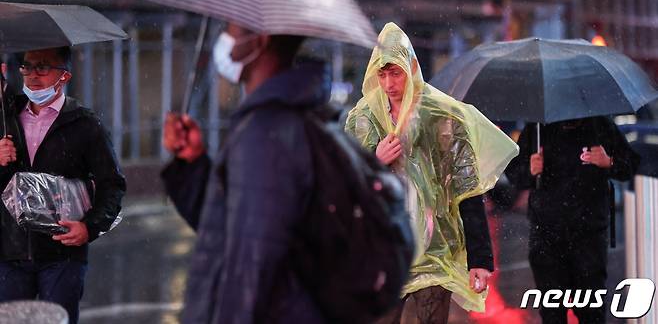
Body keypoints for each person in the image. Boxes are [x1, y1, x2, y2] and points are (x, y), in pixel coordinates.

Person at [345, 23, 519, 323]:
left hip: (435, 249)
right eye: (382, 74)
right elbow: (345, 187)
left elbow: (468, 189)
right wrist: (375, 161)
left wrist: (479, 259)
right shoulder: (364, 120)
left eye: (395, 72)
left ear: (412, 67)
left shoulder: (443, 117)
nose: (388, 84)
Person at [161, 22, 331, 323]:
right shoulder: (273, 122)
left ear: (259, 41)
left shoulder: (267, 132)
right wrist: (194, 163)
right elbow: (231, 226)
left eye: (233, 29)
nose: (225, 38)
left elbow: (252, 268)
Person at [0, 46, 126, 324]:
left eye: (43, 67)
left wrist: (89, 227)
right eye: (27, 66)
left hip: (62, 254)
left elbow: (112, 184)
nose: (32, 75)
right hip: (10, 252)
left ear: (65, 75)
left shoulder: (84, 124)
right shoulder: (6, 117)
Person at [506, 117, 639, 324]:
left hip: (589, 236)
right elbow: (514, 172)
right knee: (552, 313)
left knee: (591, 312)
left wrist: (608, 162)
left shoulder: (601, 126)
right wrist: (530, 171)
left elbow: (630, 164)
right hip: (546, 237)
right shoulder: (538, 129)